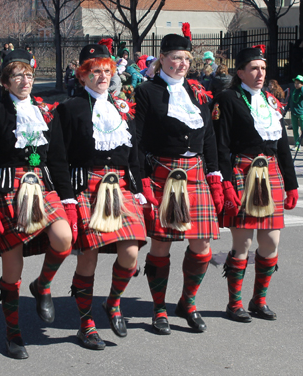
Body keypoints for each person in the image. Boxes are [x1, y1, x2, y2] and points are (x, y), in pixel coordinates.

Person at [0, 49, 75, 359]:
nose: (25, 81)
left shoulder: (47, 111)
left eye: (29, 75)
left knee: (64, 238)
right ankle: (13, 331)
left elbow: (57, 158)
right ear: (6, 82)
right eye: (17, 76)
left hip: (42, 185)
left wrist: (67, 196)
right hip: (8, 189)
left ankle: (43, 285)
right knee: (12, 266)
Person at [56, 44, 148, 350]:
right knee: (89, 259)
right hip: (87, 186)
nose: (103, 76)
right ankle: (86, 324)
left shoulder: (122, 107)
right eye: (95, 71)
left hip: (120, 185)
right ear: (83, 75)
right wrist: (67, 198)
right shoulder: (70, 109)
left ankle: (113, 302)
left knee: (131, 252)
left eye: (107, 70)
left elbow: (134, 154)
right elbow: (58, 158)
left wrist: (137, 189)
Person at [134, 33, 222, 335]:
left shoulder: (197, 91)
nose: (182, 63)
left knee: (202, 245)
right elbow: (138, 139)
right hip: (163, 172)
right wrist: (142, 178)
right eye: (175, 57)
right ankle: (159, 307)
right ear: (162, 58)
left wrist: (215, 174)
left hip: (196, 173)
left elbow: (208, 136)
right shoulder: (146, 91)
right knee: (161, 243)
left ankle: (188, 302)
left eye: (186, 58)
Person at [212, 46, 298, 323]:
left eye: (262, 68)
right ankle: (234, 303)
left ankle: (259, 301)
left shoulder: (271, 101)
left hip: (270, 172)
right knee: (243, 242)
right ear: (240, 72)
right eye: (253, 68)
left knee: (271, 242)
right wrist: (225, 183)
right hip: (242, 172)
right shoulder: (227, 99)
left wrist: (292, 184)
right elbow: (221, 145)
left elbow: (282, 145)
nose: (260, 73)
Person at [288, 75, 303, 149]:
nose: (296, 85)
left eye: (298, 83)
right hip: (293, 112)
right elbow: (289, 100)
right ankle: (297, 144)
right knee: (295, 129)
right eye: (295, 83)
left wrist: (302, 88)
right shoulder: (293, 91)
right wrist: (286, 108)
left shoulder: (302, 91)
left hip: (301, 113)